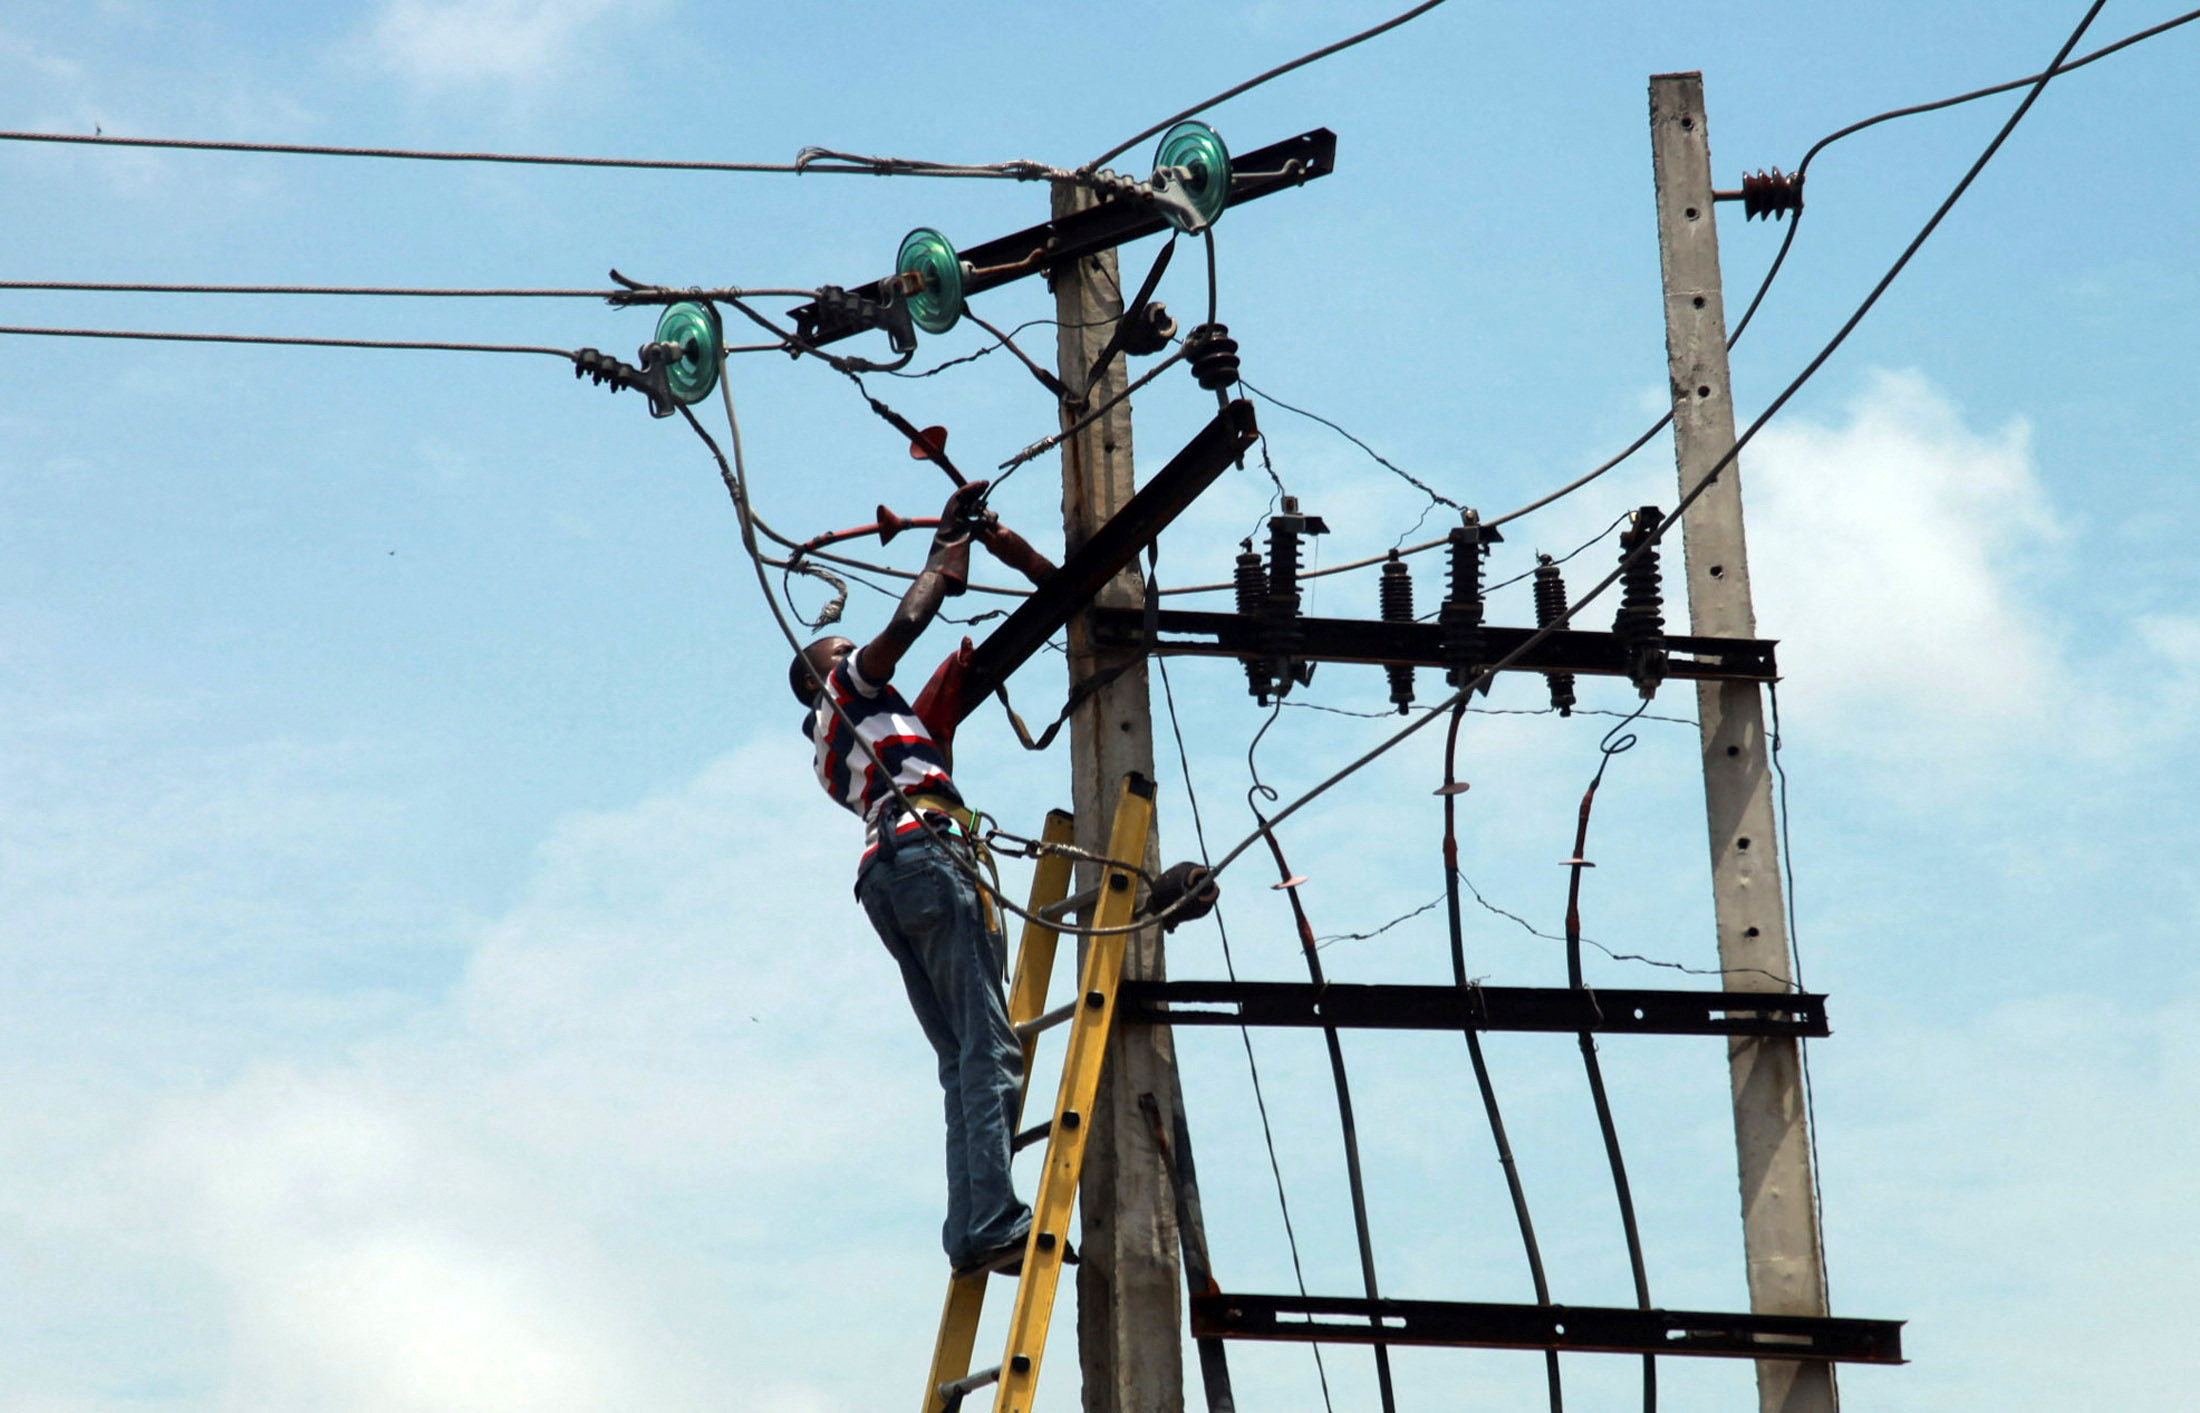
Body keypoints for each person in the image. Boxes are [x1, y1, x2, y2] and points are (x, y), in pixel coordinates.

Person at [790, 478, 1057, 1277]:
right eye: (840, 652)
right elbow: (904, 626)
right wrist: (946, 548)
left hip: (889, 875)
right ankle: (992, 1217)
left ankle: (974, 1228)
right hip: (927, 854)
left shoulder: (838, 751)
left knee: (961, 1059)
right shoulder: (845, 689)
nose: (855, 653)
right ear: (821, 675)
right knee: (990, 1050)